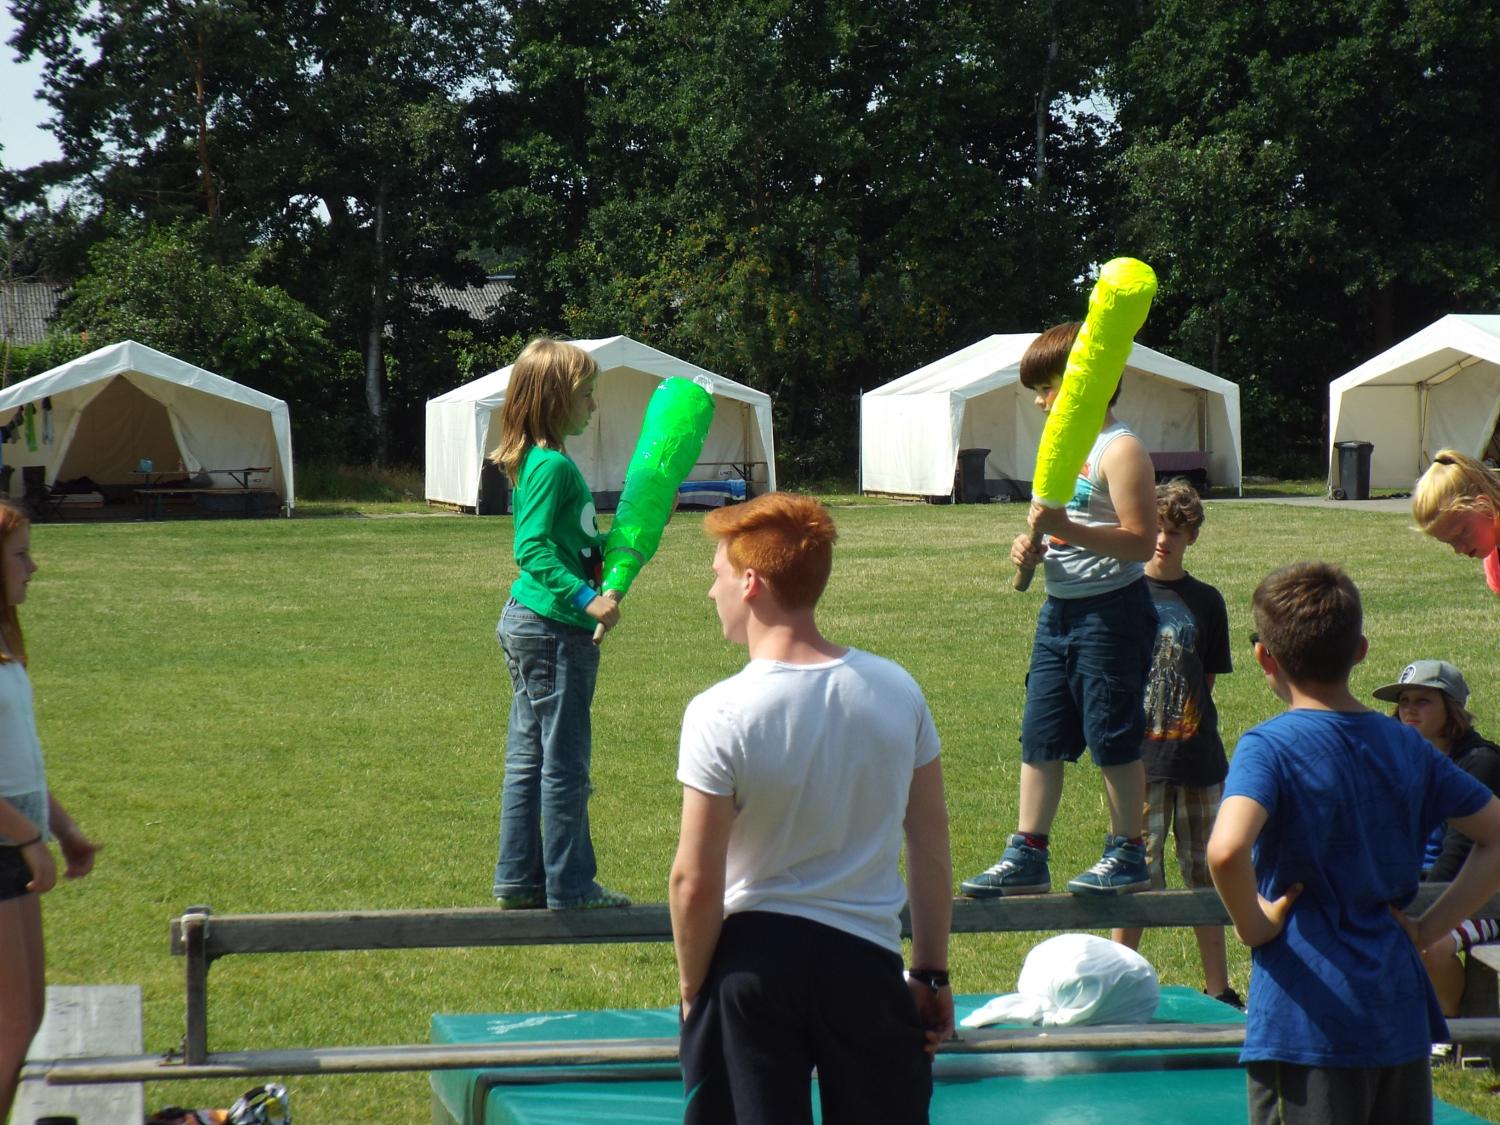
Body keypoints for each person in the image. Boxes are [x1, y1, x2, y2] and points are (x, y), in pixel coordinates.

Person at [670, 492, 953, 1123]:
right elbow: (931, 847)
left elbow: (694, 881)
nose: (710, 591)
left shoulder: (719, 712)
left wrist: (694, 993)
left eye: (716, 575)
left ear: (750, 583)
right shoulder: (897, 690)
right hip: (866, 965)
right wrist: (931, 973)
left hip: (751, 971)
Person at [1208, 562, 1500, 1125]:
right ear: (1361, 650)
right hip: (1396, 1012)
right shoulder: (1409, 746)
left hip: (1306, 1017)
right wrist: (1428, 929)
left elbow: (1225, 851)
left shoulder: (1269, 746)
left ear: (1265, 657)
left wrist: (1253, 925)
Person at [962, 321, 1159, 898]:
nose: (1041, 402)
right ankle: (1028, 853)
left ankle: (1127, 852)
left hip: (1113, 613)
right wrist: (1030, 553)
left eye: (1048, 388)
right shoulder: (1061, 448)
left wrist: (1065, 528)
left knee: (1112, 735)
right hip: (1059, 612)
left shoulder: (1120, 450)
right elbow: (1055, 535)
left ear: (1087, 382)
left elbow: (1141, 544)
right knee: (1040, 735)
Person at [490, 337, 629, 911]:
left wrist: (619, 538)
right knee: (565, 765)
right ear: (554, 399)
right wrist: (586, 598)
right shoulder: (551, 466)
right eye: (586, 394)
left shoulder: (539, 461)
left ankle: (518, 882)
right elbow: (532, 549)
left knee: (529, 760)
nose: (593, 406)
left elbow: (572, 542)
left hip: (530, 624)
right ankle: (570, 887)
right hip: (552, 628)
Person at [1110, 480, 1238, 1006]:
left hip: (1199, 760)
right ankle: (1116, 983)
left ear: (1193, 538)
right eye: (1159, 529)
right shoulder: (1123, 594)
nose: (1164, 540)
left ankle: (1219, 990)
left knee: (1206, 876)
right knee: (1134, 873)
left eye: (1176, 532)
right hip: (1138, 763)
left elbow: (1205, 681)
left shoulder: (1207, 601)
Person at [0, 499, 100, 1120]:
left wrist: (63, 829)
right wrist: (30, 838)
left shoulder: (7, 645)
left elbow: (19, 766)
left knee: (26, 1016)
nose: (32, 567)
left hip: (14, 847)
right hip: (5, 849)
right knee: (10, 1025)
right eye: (20, 556)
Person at [1372, 659, 1500, 1016]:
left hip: (1479, 896)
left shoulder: (1480, 762)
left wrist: (1419, 907)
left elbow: (1460, 853)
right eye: (1404, 701)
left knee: (1429, 945)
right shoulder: (1399, 760)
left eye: (1423, 701)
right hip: (1415, 889)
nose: (1409, 710)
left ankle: (1446, 1025)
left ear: (1452, 708)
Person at [1411, 449, 1500, 590]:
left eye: (1461, 532)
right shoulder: (1494, 566)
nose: (1458, 549)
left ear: (1484, 506)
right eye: (1449, 542)